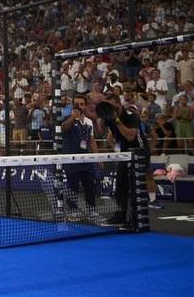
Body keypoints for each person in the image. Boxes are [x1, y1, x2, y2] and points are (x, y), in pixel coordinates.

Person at [103, 95, 151, 226]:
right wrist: (116, 150)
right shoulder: (109, 118)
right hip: (124, 153)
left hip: (139, 152)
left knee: (136, 185)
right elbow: (108, 136)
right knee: (120, 184)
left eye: (112, 106)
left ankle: (136, 218)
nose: (110, 109)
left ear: (119, 104)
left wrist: (117, 121)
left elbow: (130, 136)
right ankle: (120, 216)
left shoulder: (131, 115)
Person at [60, 95, 101, 221]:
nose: (78, 106)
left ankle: (91, 210)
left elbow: (92, 141)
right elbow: (64, 128)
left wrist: (98, 157)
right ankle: (73, 211)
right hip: (71, 159)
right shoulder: (67, 119)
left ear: (86, 105)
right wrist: (73, 117)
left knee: (89, 185)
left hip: (87, 159)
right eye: (76, 104)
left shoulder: (89, 122)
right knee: (73, 186)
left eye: (81, 104)